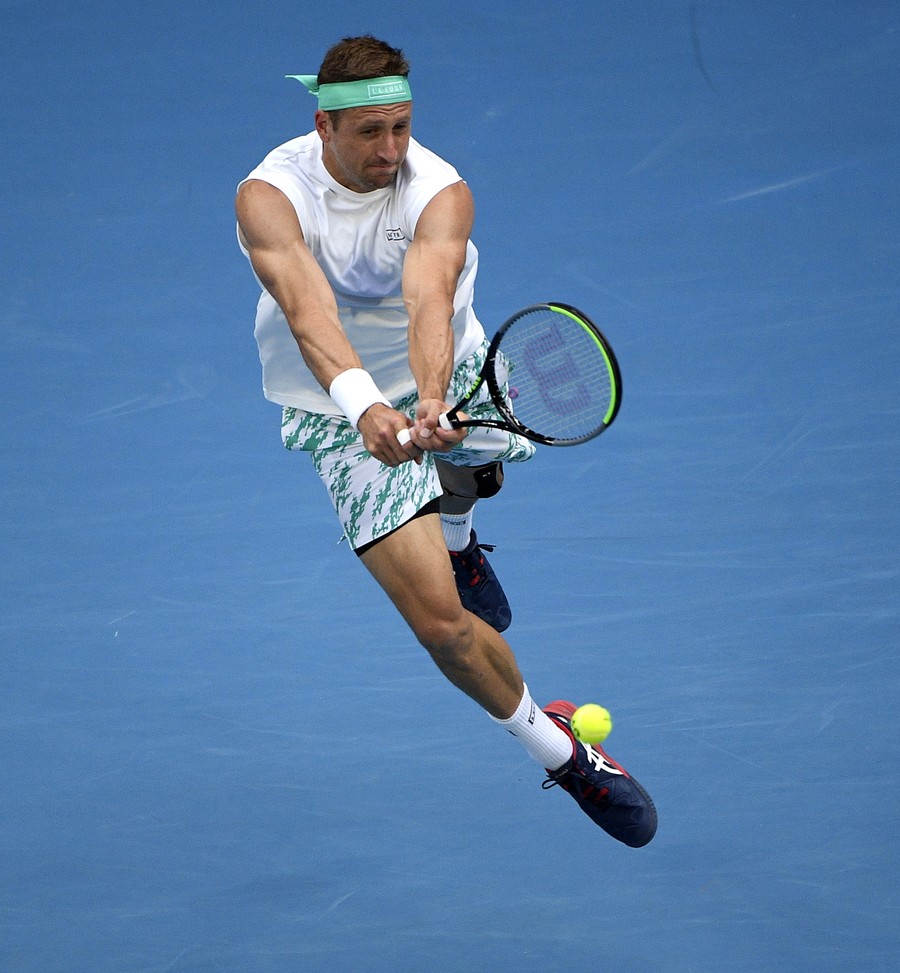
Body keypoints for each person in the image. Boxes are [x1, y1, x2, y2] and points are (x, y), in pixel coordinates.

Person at [235, 35, 656, 847]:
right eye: (369, 133)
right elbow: (307, 310)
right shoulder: (269, 195)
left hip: (445, 366)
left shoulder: (440, 190)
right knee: (443, 627)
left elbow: (429, 297)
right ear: (323, 125)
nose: (390, 150)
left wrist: (430, 399)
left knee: (472, 458)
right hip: (337, 406)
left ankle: (458, 532)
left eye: (401, 127)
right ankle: (564, 752)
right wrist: (366, 409)